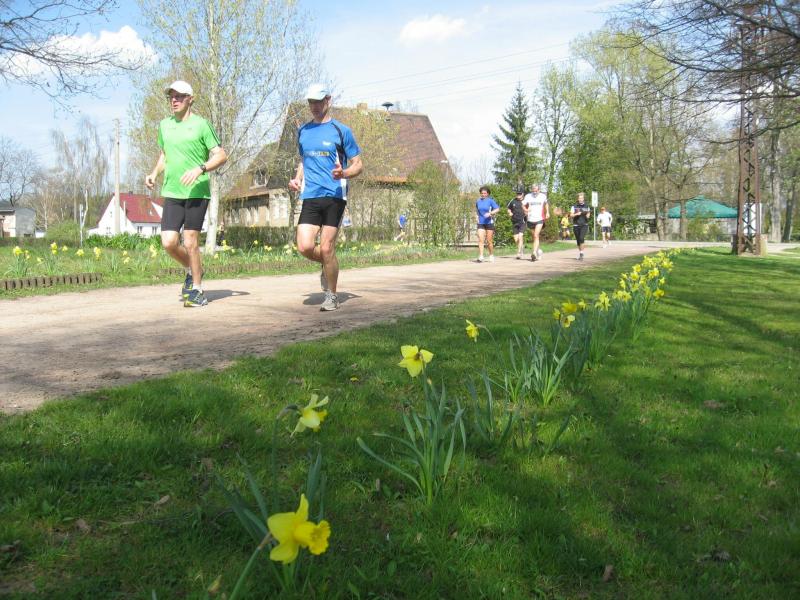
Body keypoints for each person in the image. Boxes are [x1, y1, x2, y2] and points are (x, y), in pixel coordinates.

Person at [146, 80, 227, 307]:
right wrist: (154, 173)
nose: (174, 100)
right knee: (169, 242)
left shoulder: (202, 125)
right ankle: (193, 269)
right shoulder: (164, 125)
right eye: (171, 96)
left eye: (180, 96)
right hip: (173, 191)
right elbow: (164, 155)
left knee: (190, 240)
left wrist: (200, 168)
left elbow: (221, 155)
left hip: (197, 191)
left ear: (190, 99)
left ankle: (197, 290)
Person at [289, 84, 363, 311]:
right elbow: (304, 160)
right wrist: (297, 178)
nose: (314, 106)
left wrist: (344, 173)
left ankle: (331, 296)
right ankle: (327, 264)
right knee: (304, 246)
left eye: (318, 101)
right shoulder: (303, 131)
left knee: (327, 246)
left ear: (328, 100)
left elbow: (358, 164)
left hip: (334, 195)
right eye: (311, 102)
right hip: (311, 195)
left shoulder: (341, 131)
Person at [522, 184, 549, 261]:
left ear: (539, 190)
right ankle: (538, 251)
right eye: (533, 190)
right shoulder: (528, 196)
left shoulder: (543, 196)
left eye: (536, 190)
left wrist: (547, 212)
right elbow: (522, 205)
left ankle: (533, 253)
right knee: (534, 237)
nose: (534, 192)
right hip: (530, 219)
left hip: (539, 218)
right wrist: (526, 210)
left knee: (536, 235)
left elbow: (546, 204)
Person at [475, 185, 500, 262]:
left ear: (488, 194)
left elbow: (497, 209)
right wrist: (477, 217)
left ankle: (491, 254)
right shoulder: (478, 201)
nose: (483, 194)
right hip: (481, 223)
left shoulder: (490, 201)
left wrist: (490, 213)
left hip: (489, 222)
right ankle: (481, 256)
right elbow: (477, 210)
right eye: (482, 193)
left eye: (485, 193)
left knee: (489, 241)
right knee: (480, 239)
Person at [570, 192, 591, 260]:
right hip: (576, 225)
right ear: (578, 199)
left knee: (581, 238)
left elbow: (588, 213)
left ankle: (581, 253)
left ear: (583, 199)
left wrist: (588, 215)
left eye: (582, 198)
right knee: (578, 240)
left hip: (584, 225)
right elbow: (571, 215)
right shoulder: (574, 206)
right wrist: (576, 214)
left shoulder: (587, 206)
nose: (580, 199)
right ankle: (580, 253)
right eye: (579, 198)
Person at [506, 185, 526, 259]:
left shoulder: (525, 201)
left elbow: (530, 208)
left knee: (520, 236)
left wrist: (527, 213)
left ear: (522, 194)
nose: (518, 195)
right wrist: (509, 212)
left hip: (523, 222)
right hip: (514, 222)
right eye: (517, 193)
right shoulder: (512, 201)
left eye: (520, 194)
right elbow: (508, 208)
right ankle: (521, 247)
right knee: (516, 239)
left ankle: (519, 253)